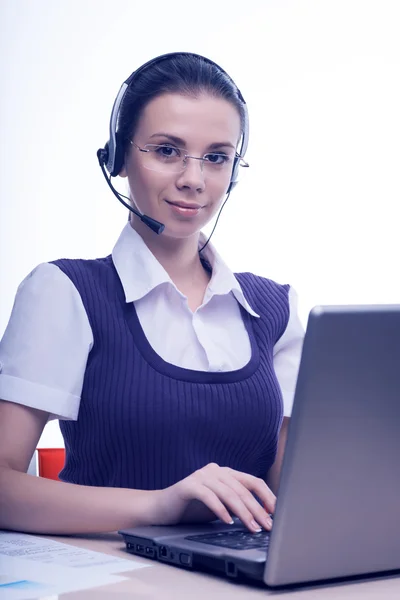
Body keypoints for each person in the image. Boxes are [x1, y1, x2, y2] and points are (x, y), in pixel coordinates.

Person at [0, 52, 304, 536]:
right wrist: (163, 505)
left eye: (217, 157)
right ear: (119, 157)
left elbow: (295, 495)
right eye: (166, 151)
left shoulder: (275, 310)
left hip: (244, 580)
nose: (193, 178)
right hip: (112, 578)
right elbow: (3, 487)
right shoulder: (65, 292)